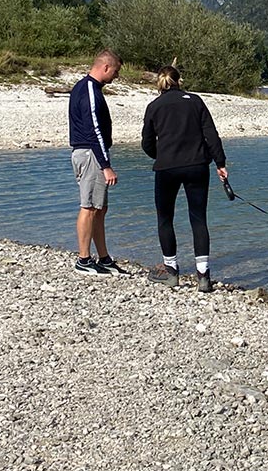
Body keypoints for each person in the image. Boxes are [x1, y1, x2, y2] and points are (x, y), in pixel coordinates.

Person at [140, 64, 228, 292]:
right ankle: (203, 277)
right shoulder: (195, 101)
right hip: (197, 166)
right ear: (180, 81)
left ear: (159, 83)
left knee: (165, 219)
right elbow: (211, 135)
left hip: (166, 168)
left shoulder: (154, 106)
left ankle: (171, 273)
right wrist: (220, 163)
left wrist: (161, 155)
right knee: (198, 219)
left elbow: (147, 143)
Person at [69, 49, 125, 276]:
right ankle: (83, 259)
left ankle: (104, 258)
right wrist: (105, 165)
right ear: (105, 67)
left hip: (90, 153)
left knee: (100, 208)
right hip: (90, 154)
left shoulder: (86, 88)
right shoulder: (89, 90)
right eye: (116, 71)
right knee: (90, 206)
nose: (116, 76)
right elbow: (94, 131)